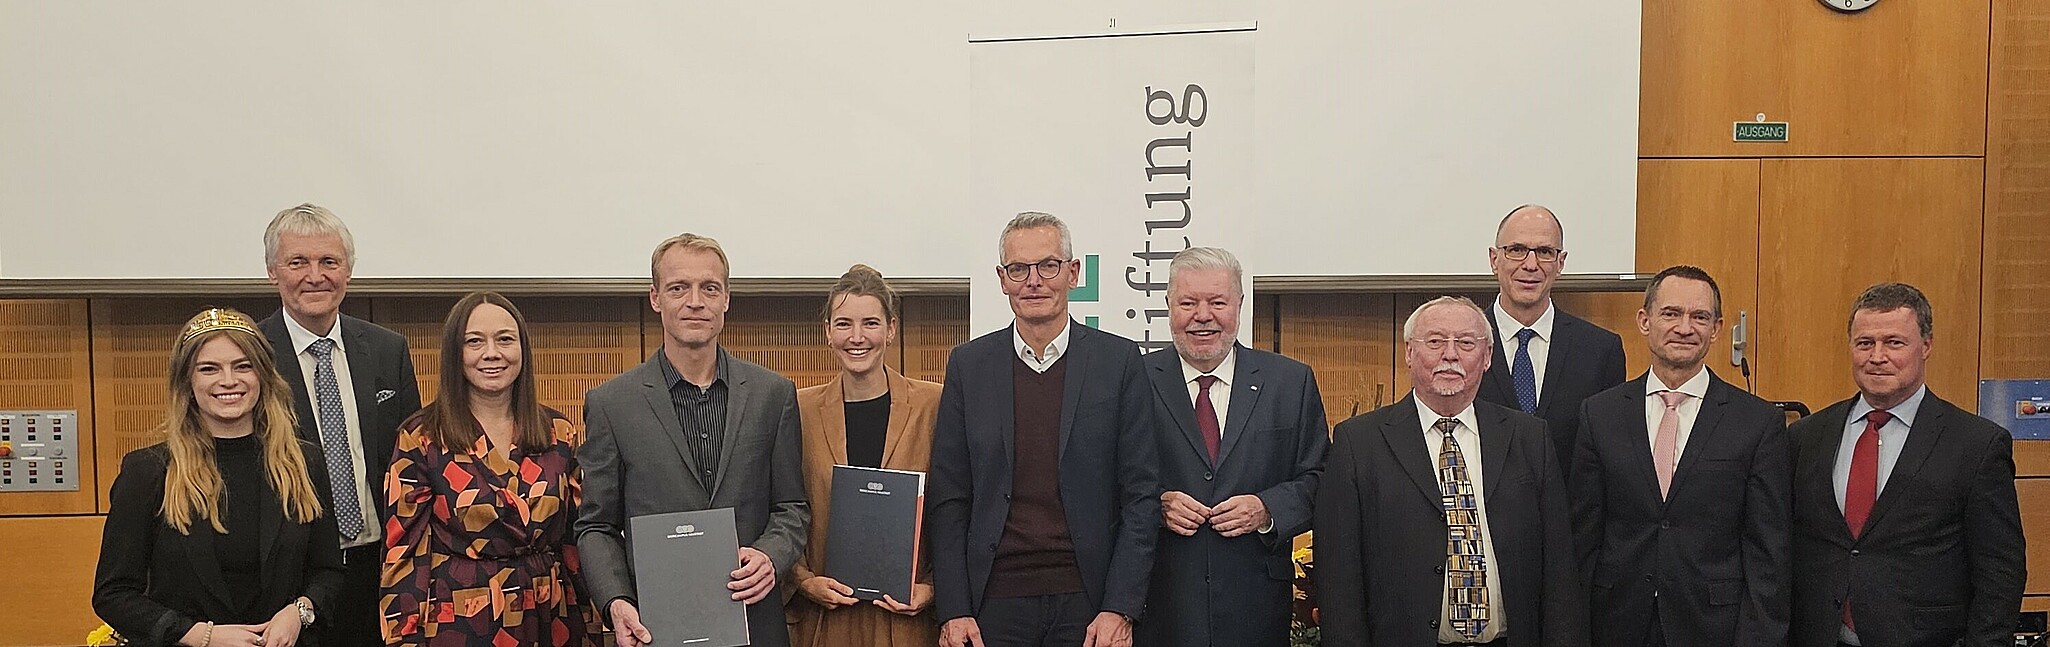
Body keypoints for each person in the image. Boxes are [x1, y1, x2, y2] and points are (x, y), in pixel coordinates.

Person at [927, 212, 1161, 647]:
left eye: (1048, 266)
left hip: (1090, 605)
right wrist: (955, 610)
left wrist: (1120, 606)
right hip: (992, 605)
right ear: (1002, 279)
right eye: (1019, 269)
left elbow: (1141, 497)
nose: (1034, 281)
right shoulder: (969, 366)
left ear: (1073, 273)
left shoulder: (1120, 363)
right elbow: (950, 497)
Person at [576, 233, 809, 647]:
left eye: (710, 288)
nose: (695, 301)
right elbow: (596, 526)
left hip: (754, 622)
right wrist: (615, 601)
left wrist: (772, 555)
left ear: (726, 300)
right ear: (655, 298)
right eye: (679, 288)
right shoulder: (612, 404)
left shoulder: (772, 394)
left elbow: (792, 506)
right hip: (656, 628)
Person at [1316, 296, 1585, 647]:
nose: (1451, 354)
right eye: (1435, 341)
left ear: (1487, 357)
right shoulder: (1359, 442)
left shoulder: (1529, 437)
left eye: (1466, 343)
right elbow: (1340, 578)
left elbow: (1559, 569)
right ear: (1410, 353)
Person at [1787, 283, 2024, 647]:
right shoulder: (1806, 436)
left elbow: (2000, 573)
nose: (1877, 356)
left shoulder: (1976, 445)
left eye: (1894, 343)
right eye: (1865, 343)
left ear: (1925, 346)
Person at [94, 308, 342, 647]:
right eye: (209, 369)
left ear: (263, 376)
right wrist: (198, 635)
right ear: (187, 381)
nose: (229, 380)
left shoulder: (305, 462)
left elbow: (328, 571)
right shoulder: (148, 471)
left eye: (243, 366)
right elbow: (113, 593)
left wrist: (299, 611)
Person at [1570, 266, 1790, 647]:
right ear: (1645, 320)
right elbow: (1583, 539)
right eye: (1671, 314)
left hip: (1713, 627)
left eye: (1699, 317)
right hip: (1615, 622)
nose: (1685, 328)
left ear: (1717, 329)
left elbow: (1767, 553)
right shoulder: (1599, 415)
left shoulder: (1757, 422)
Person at [379, 292, 602, 646]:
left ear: (522, 350)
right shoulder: (421, 437)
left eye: (505, 339)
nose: (492, 353)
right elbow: (403, 552)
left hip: (550, 615)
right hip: (461, 620)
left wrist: (596, 621)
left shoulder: (558, 432)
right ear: (456, 353)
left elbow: (575, 541)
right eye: (474, 342)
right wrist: (403, 637)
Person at [1138, 247, 1328, 647]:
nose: (1202, 315)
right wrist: (1156, 504)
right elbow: (1101, 478)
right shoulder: (1133, 380)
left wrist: (1267, 509)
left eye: (1217, 302)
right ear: (1168, 306)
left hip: (1256, 609)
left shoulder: (1289, 383)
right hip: (1159, 607)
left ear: (1240, 304)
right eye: (1188, 303)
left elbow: (1321, 479)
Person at [256, 203, 423, 645]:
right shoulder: (248, 356)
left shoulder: (389, 350)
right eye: (298, 262)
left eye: (329, 261)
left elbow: (414, 460)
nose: (316, 276)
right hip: (292, 579)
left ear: (348, 270)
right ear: (273, 270)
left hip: (383, 568)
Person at [785, 265, 945, 647]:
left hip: (908, 622)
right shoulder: (797, 409)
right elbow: (779, 505)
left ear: (891, 329)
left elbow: (957, 505)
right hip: (826, 622)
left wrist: (935, 588)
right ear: (827, 332)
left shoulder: (933, 405)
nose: (857, 338)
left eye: (870, 323)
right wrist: (803, 581)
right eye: (843, 324)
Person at [1476, 205, 1626, 477]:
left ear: (1561, 263)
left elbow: (1609, 456)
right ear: (1494, 259)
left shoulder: (1600, 351)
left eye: (1545, 252)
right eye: (1516, 250)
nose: (1530, 265)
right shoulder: (1463, 344)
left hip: (1569, 516)